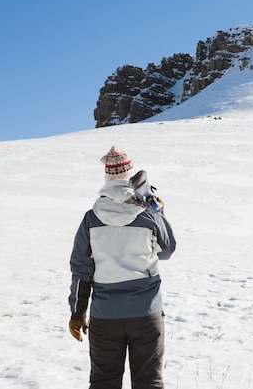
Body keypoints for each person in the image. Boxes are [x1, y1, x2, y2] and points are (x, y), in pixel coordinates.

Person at [68, 145, 176, 389]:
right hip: (146, 314)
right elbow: (167, 250)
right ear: (130, 176)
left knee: (104, 383)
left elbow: (81, 271)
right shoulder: (148, 214)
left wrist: (77, 314)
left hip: (105, 317)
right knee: (149, 383)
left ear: (106, 177)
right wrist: (160, 213)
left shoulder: (91, 219)